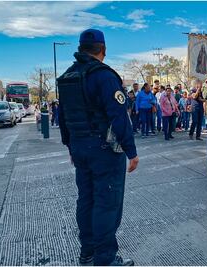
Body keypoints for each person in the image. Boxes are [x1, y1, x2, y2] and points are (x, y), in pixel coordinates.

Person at [57, 28, 138, 266]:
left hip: (80, 148)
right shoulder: (104, 76)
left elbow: (63, 117)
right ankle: (105, 259)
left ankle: (88, 253)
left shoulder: (67, 77)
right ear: (103, 49)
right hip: (104, 150)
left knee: (86, 200)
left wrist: (70, 147)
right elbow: (118, 116)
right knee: (107, 203)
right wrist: (131, 151)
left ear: (81, 48)